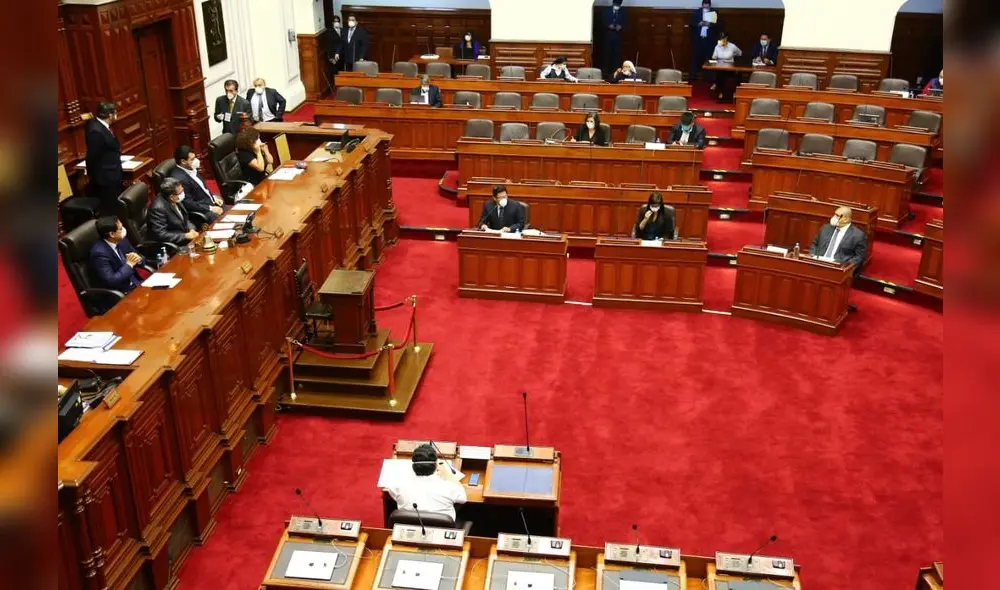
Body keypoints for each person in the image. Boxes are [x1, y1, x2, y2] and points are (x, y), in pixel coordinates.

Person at [384, 444, 466, 522]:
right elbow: (463, 499)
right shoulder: (449, 486)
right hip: (440, 531)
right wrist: (448, 476)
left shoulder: (397, 485)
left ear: (413, 466)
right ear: (435, 466)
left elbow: (393, 493)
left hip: (408, 531)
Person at [84, 102, 123, 214]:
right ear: (109, 115)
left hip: (111, 171)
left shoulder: (99, 125)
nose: (116, 115)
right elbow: (92, 156)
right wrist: (91, 174)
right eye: (115, 113)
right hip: (106, 177)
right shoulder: (96, 131)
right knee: (111, 208)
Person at [90, 216, 145, 294]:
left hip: (137, 284)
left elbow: (140, 258)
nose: (123, 230)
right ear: (112, 234)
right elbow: (111, 281)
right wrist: (129, 265)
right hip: (122, 293)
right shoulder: (99, 254)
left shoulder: (121, 240)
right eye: (120, 229)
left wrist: (138, 260)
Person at [170, 145, 224, 224]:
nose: (196, 161)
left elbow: (203, 187)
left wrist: (213, 197)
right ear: (183, 161)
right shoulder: (180, 179)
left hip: (208, 202)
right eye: (192, 159)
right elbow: (188, 203)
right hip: (201, 211)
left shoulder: (190, 168)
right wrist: (210, 208)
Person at [809, 206, 867, 272]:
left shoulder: (858, 235)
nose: (833, 217)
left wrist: (846, 268)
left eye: (837, 215)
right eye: (834, 214)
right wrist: (812, 257)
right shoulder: (825, 228)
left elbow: (859, 257)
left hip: (838, 269)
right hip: (818, 264)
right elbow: (815, 244)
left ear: (846, 219)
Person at [148, 178, 199, 246]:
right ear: (171, 197)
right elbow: (161, 234)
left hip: (187, 237)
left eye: (183, 190)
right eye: (180, 193)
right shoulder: (158, 208)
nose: (183, 194)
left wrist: (191, 229)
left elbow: (185, 219)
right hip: (175, 245)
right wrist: (185, 236)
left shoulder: (175, 199)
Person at [690, 0, 720, 82]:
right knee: (695, 59)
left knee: (710, 59)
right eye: (705, 4)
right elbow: (691, 24)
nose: (706, 6)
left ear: (710, 5)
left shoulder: (714, 12)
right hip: (699, 39)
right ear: (702, 4)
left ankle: (710, 79)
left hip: (709, 40)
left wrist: (710, 24)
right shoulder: (697, 12)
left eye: (707, 4)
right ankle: (692, 78)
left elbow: (718, 25)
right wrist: (699, 24)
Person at [711, 32, 743, 101]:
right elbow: (713, 57)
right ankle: (720, 91)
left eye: (723, 39)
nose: (722, 40)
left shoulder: (732, 46)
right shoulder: (717, 46)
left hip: (730, 69)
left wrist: (734, 56)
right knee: (720, 73)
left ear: (726, 39)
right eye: (721, 39)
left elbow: (740, 53)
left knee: (720, 74)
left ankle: (718, 87)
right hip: (720, 67)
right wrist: (719, 48)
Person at [602, 0, 626, 76]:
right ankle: (606, 72)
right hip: (607, 36)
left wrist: (621, 27)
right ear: (613, 3)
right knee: (607, 54)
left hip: (618, 37)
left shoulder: (623, 11)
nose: (617, 6)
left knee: (617, 55)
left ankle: (615, 73)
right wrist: (608, 25)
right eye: (616, 4)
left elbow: (627, 24)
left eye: (619, 5)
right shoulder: (606, 10)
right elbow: (602, 22)